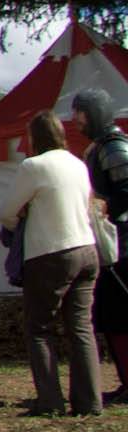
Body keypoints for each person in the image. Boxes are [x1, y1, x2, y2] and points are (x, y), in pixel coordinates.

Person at [1, 111, 102, 417]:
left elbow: (7, 211)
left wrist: (19, 220)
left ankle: (49, 401)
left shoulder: (33, 166)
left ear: (34, 137)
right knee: (81, 327)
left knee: (39, 328)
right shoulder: (78, 164)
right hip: (86, 248)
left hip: (50, 253)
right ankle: (89, 402)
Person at [69, 88, 128, 404]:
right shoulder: (98, 148)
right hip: (110, 244)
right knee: (111, 317)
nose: (76, 119)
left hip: (122, 243)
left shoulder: (115, 147)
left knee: (121, 316)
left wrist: (105, 206)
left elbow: (126, 192)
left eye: (80, 112)